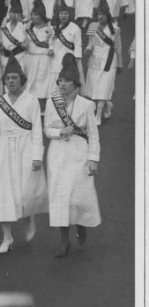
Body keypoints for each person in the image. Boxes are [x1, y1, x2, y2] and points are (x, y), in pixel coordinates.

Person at [0, 57, 49, 253]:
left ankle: (28, 217)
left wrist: (37, 156)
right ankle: (7, 237)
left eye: (14, 78)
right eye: (8, 79)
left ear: (22, 80)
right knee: (3, 193)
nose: (11, 81)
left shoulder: (31, 101)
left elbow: (37, 130)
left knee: (25, 191)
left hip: (25, 147)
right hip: (2, 150)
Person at [44, 54, 101, 257]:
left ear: (76, 84)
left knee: (78, 194)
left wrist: (93, 159)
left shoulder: (87, 105)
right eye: (60, 81)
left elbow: (93, 133)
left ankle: (81, 224)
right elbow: (47, 128)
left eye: (67, 81)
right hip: (58, 154)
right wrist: (59, 132)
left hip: (79, 152)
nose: (63, 84)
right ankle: (64, 241)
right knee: (59, 196)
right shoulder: (53, 103)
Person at [83, 0, 122, 124]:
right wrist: (87, 50)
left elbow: (118, 47)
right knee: (94, 87)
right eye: (99, 14)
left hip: (109, 60)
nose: (100, 17)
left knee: (103, 87)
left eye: (103, 14)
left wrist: (120, 63)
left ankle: (98, 115)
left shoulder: (115, 28)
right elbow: (90, 43)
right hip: (95, 59)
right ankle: (107, 105)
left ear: (108, 15)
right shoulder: (92, 26)